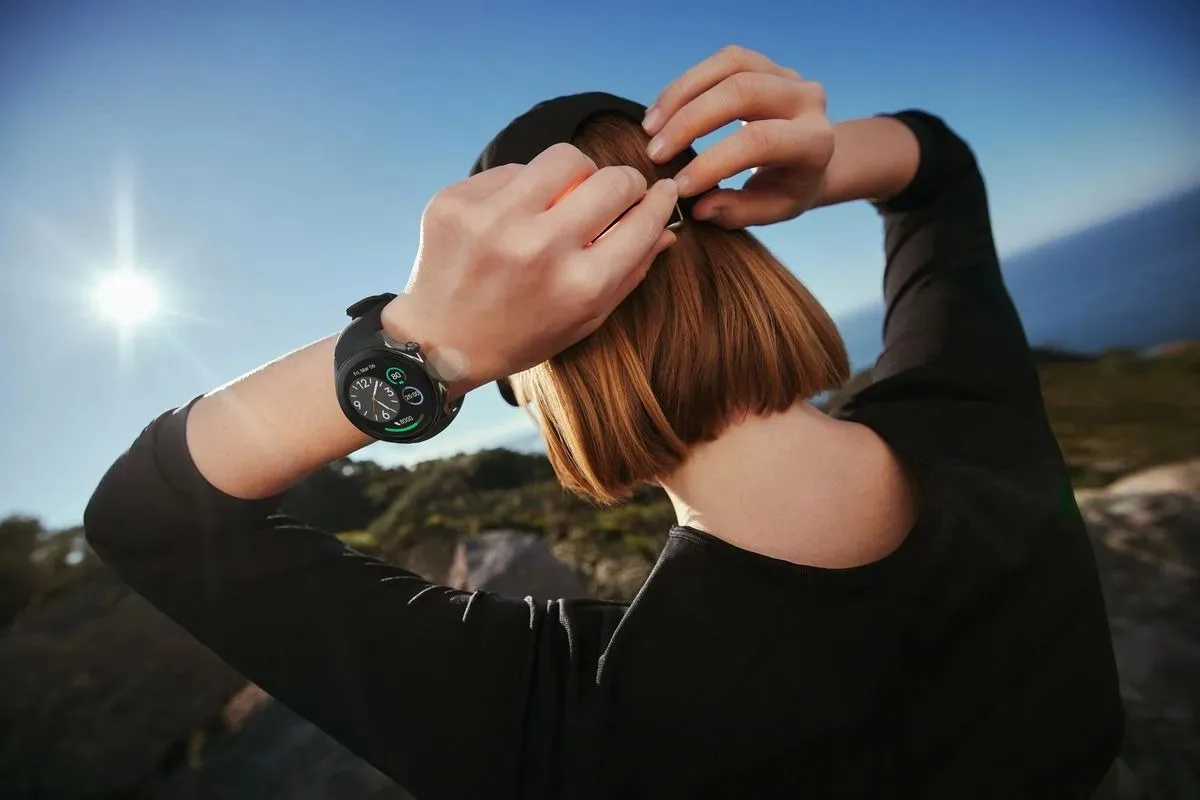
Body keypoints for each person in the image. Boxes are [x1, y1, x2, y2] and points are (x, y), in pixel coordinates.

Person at [84, 46, 1124, 799]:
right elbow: (938, 173)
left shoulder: (570, 725)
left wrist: (428, 344)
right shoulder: (981, 420)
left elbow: (148, 519)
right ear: (737, 247)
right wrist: (817, 161)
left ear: (542, 381)